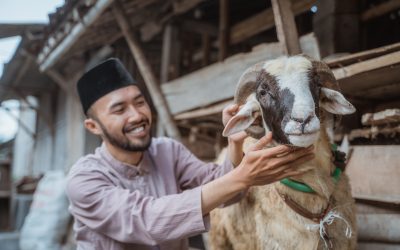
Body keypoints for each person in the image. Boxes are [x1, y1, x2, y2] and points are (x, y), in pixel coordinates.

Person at [66, 58, 315, 250]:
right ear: (93, 126)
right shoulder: (84, 180)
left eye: (140, 102)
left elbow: (225, 191)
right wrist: (243, 176)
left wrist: (234, 142)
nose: (137, 115)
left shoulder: (166, 150)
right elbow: (149, 221)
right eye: (119, 109)